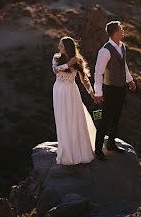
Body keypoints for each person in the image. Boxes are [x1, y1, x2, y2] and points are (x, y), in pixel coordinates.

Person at [93, 20, 136, 160]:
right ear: (115, 33)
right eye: (121, 29)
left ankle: (111, 144)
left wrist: (129, 80)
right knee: (105, 119)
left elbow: (123, 66)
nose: (123, 31)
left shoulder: (122, 46)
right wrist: (98, 93)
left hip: (120, 88)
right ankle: (98, 150)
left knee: (116, 117)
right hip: (109, 89)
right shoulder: (105, 51)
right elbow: (98, 73)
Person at [52, 36, 97, 165]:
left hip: (71, 91)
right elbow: (55, 70)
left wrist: (91, 93)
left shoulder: (78, 60)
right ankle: (66, 150)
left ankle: (78, 150)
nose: (59, 48)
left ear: (67, 47)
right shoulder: (56, 58)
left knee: (74, 118)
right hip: (59, 91)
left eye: (61, 46)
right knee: (62, 119)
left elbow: (84, 79)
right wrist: (68, 64)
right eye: (59, 45)